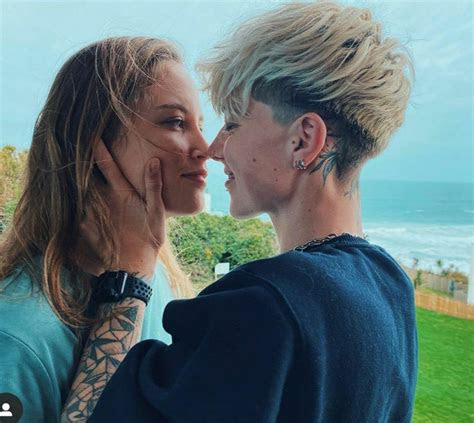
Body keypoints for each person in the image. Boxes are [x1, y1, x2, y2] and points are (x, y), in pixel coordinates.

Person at [64, 2, 418, 422]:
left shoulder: (261, 307)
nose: (214, 149)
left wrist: (129, 276)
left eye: (233, 123)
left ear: (303, 140)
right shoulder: (391, 286)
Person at [0, 36, 207, 423]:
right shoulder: (16, 336)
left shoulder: (154, 273)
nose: (204, 147)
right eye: (176, 122)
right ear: (93, 146)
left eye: (200, 124)